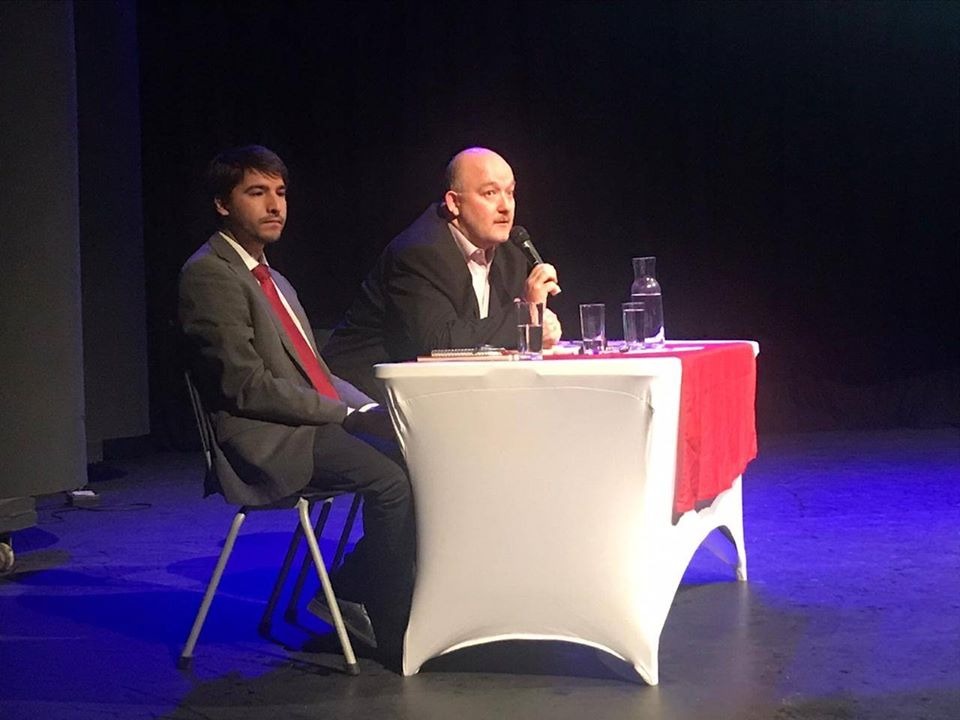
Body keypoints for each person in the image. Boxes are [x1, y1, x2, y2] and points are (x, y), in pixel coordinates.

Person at [178, 145, 412, 664]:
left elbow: (316, 373)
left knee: (419, 460)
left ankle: (351, 592)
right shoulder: (209, 274)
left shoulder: (273, 279)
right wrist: (344, 415)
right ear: (223, 203)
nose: (274, 205)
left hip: (306, 425)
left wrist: (369, 410)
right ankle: (391, 626)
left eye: (280, 193)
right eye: (256, 192)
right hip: (266, 438)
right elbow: (246, 386)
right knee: (393, 482)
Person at [322, 147, 563, 402]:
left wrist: (532, 326)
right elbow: (437, 341)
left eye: (510, 192)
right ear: (454, 203)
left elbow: (491, 343)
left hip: (445, 394)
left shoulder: (511, 255)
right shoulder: (419, 252)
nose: (505, 207)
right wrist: (527, 320)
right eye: (490, 193)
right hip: (358, 397)